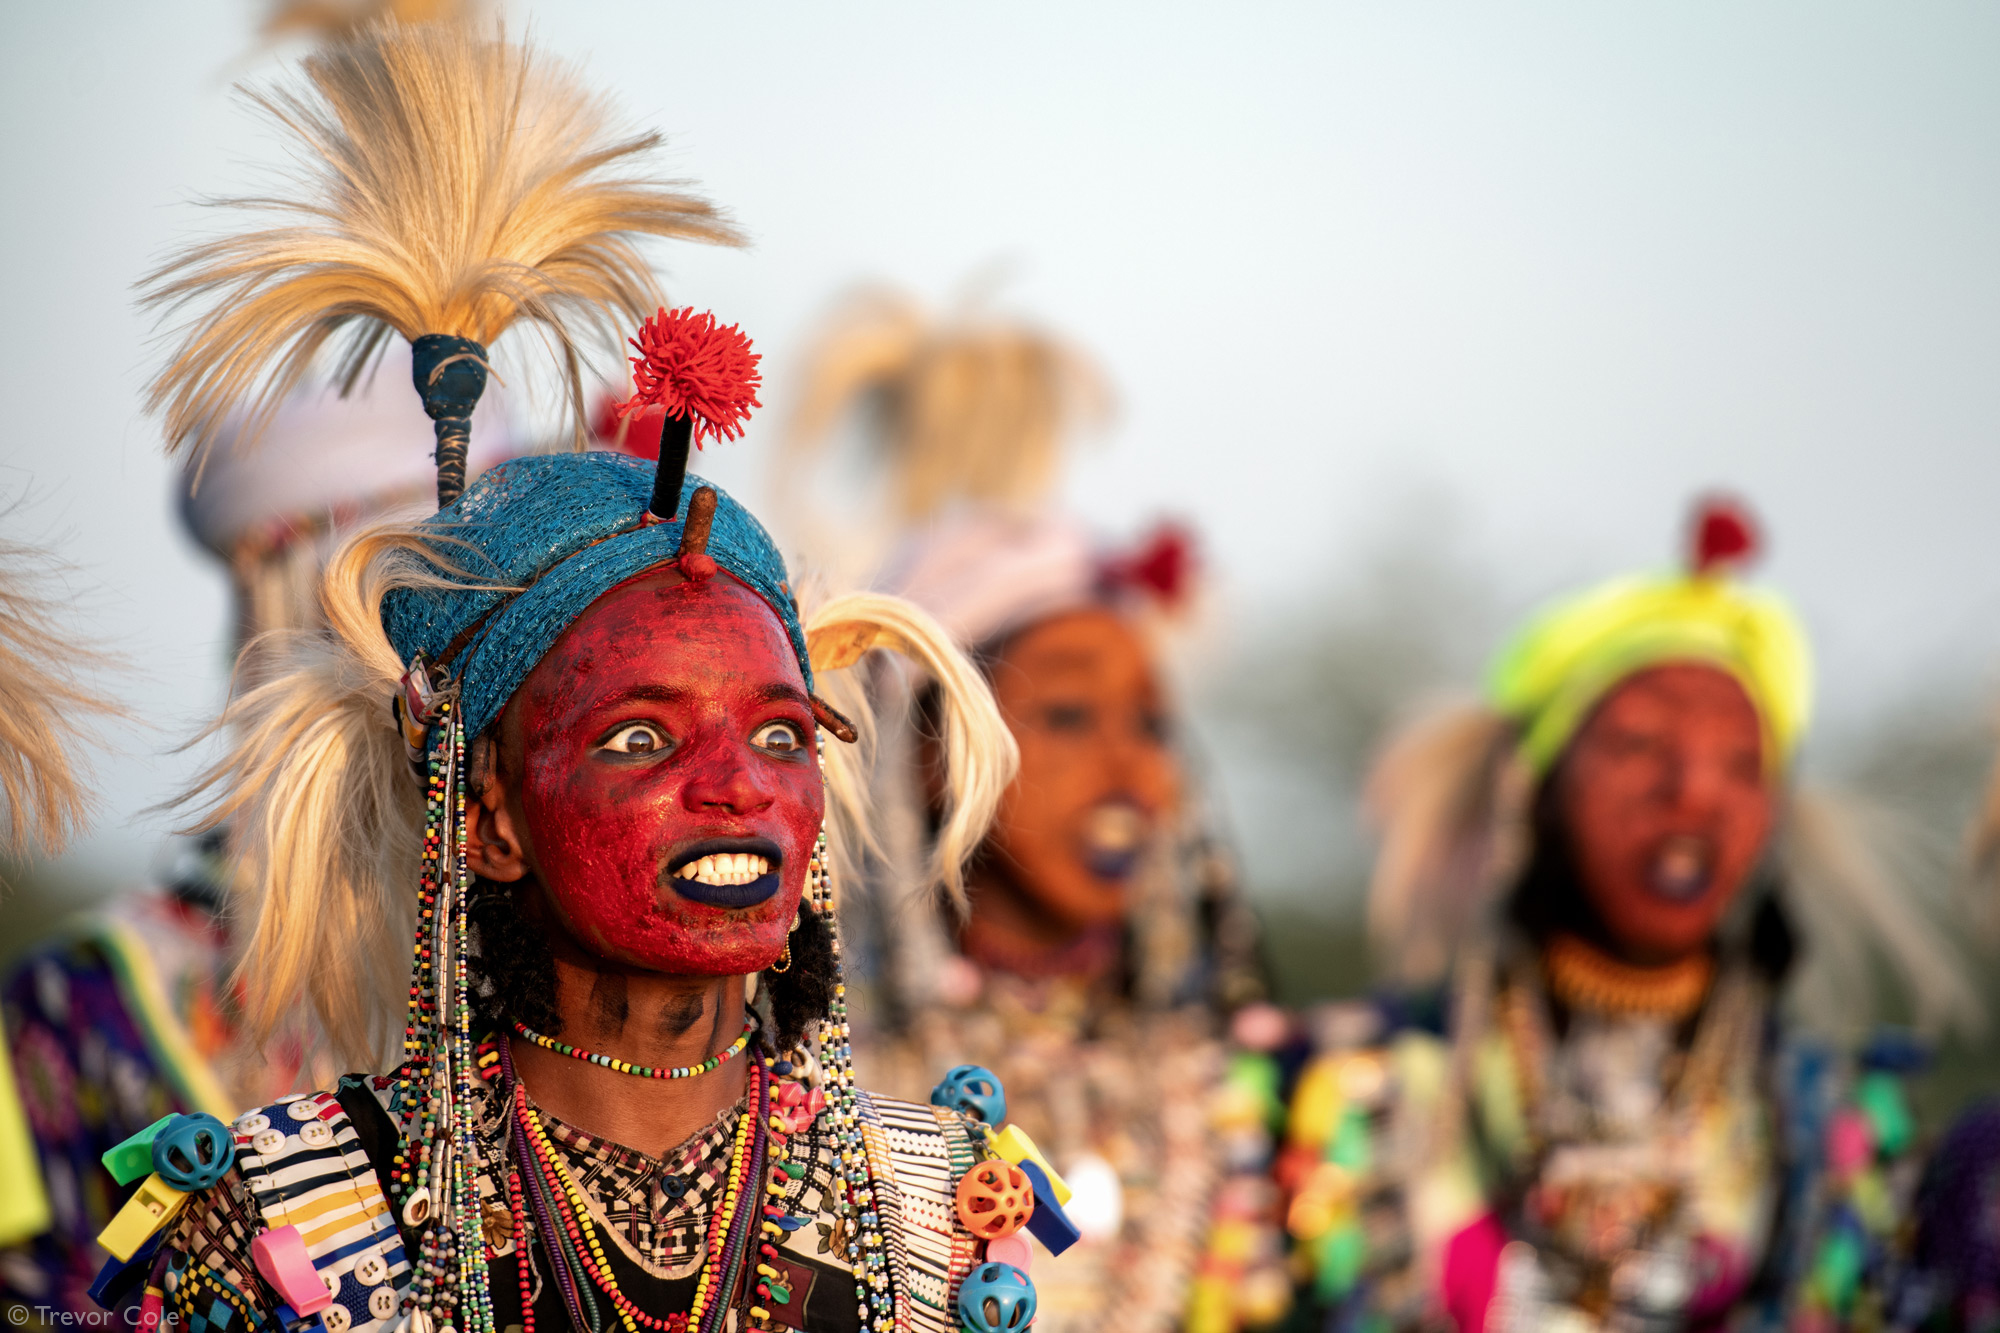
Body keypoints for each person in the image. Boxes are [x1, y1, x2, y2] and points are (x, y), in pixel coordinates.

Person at [82, 23, 1045, 1333]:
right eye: (641, 739)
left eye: (778, 735)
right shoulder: (279, 1222)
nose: (735, 791)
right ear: (482, 814)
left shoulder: (934, 1213)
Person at [1276, 498, 1980, 1332]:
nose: (1693, 790)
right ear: (1528, 790)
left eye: (1740, 762)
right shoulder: (1348, 1094)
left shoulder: (1845, 1144)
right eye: (1640, 744)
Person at [784, 290, 1275, 1332]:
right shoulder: (788, 1086)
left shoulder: (1254, 1098)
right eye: (1065, 714)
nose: (1131, 775)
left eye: (1149, 725)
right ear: (924, 749)